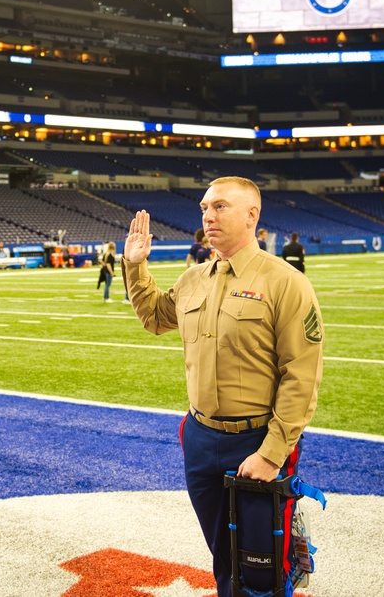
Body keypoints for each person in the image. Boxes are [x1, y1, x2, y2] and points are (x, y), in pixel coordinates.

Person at [122, 176, 323, 597]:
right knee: (223, 555)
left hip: (256, 440)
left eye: (220, 207)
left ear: (252, 215)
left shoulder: (286, 282)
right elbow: (155, 318)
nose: (208, 216)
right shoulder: (194, 278)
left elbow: (300, 376)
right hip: (199, 438)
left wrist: (272, 454)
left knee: (263, 562)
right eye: (204, 208)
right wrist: (136, 265)